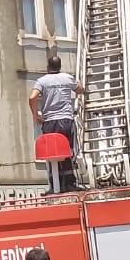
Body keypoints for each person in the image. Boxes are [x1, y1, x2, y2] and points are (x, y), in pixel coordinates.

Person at [29, 56, 80, 193]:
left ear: (48, 67)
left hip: (50, 122)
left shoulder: (42, 81)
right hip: (65, 120)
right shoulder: (67, 78)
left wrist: (35, 115)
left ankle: (54, 185)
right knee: (67, 151)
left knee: (51, 153)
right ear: (60, 66)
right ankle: (69, 184)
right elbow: (80, 89)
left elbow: (32, 97)